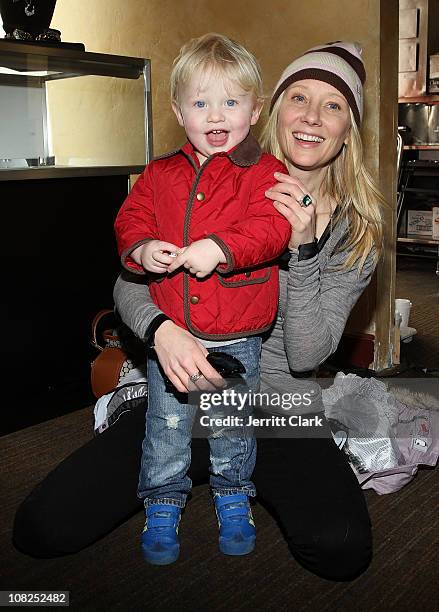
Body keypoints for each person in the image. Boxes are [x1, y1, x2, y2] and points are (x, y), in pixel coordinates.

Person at [13, 41, 384, 582]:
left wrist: (301, 249)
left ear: (349, 127)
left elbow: (306, 355)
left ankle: (224, 470)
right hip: (184, 385)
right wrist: (163, 333)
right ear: (271, 109)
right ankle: (196, 467)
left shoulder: (357, 235)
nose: (310, 117)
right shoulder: (207, 183)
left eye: (333, 106)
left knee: (341, 549)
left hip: (278, 407)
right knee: (41, 529)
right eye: (299, 97)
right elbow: (130, 286)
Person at [113, 33, 291, 564]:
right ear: (178, 110)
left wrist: (220, 248)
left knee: (230, 423)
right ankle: (163, 500)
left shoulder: (265, 173)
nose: (216, 116)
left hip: (238, 332)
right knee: (166, 426)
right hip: (174, 328)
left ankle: (233, 493)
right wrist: (142, 249)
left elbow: (272, 228)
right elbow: (131, 219)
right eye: (200, 102)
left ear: (255, 110)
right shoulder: (159, 172)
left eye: (231, 102)